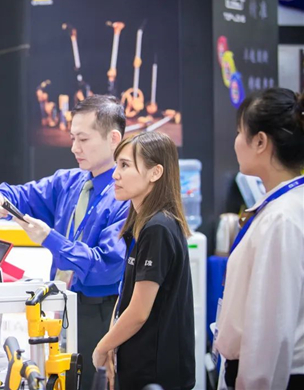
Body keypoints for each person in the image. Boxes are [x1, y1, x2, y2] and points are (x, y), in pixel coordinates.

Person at [0, 95, 129, 387]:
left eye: (83, 139)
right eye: (73, 138)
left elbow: (107, 266)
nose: (74, 148)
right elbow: (19, 195)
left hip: (101, 312)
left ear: (114, 138)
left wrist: (50, 238)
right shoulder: (69, 182)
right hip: (62, 305)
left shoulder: (125, 195)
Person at [215, 88, 304, 390]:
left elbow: (269, 329)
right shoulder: (283, 206)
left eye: (240, 132)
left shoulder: (282, 218)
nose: (236, 142)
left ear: (260, 141)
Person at [92, 131, 195, 390]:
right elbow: (125, 295)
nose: (115, 175)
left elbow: (139, 311)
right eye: (117, 165)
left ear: (155, 173)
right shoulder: (141, 224)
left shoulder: (158, 228)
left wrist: (102, 348)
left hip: (156, 374)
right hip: (137, 365)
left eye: (125, 165)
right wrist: (113, 343)